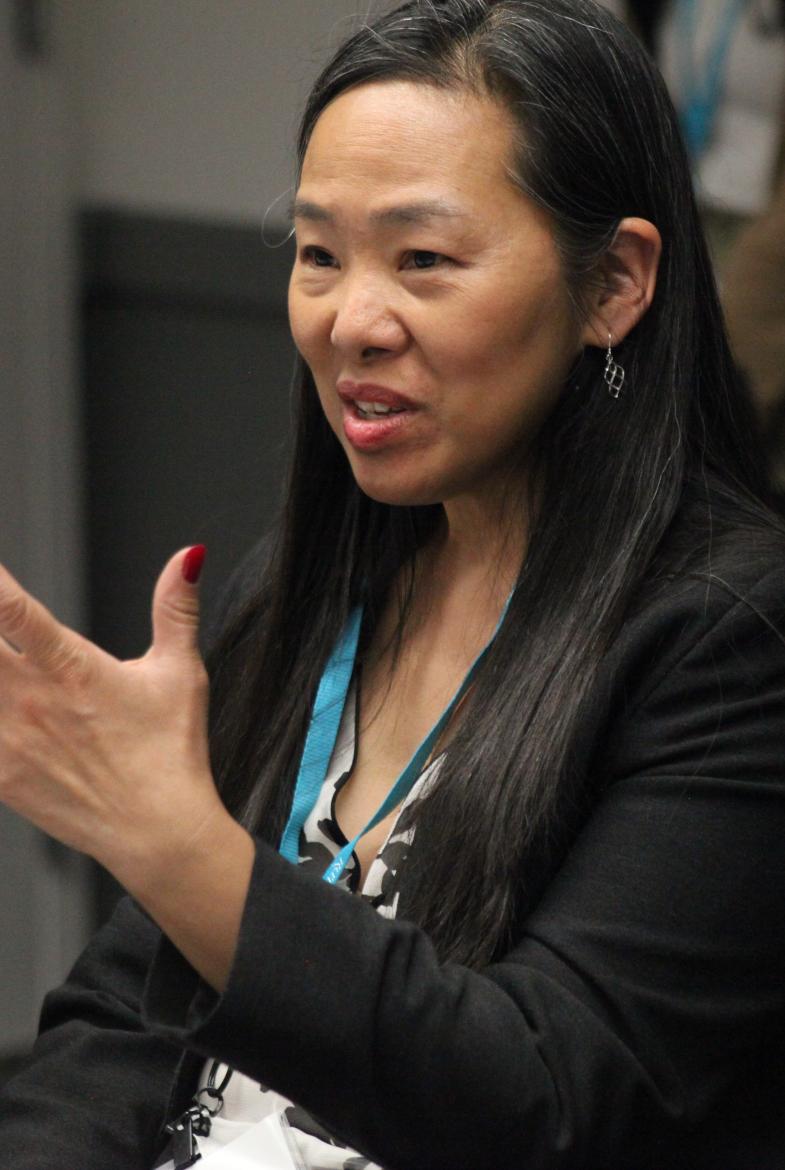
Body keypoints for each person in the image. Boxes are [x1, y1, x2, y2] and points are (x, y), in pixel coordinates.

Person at [0, 1, 783, 1167]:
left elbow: (542, 1103)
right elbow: (118, 1034)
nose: (349, 321)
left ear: (613, 284)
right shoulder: (317, 591)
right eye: (319, 254)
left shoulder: (726, 636)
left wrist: (172, 846)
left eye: (423, 260)